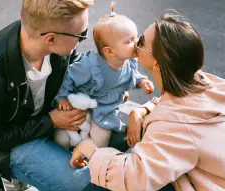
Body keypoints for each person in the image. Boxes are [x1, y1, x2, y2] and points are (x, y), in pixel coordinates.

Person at [70, 11, 225, 191]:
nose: (136, 42)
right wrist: (143, 110)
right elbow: (179, 108)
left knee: (102, 190)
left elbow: (134, 178)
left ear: (157, 65)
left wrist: (92, 151)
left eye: (142, 41)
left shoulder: (178, 125)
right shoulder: (200, 82)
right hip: (216, 184)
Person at [0, 0, 95, 191]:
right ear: (50, 39)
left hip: (48, 119)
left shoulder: (57, 46)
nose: (83, 39)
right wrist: (51, 121)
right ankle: (14, 181)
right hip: (10, 146)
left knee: (116, 143)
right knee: (86, 187)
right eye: (81, 35)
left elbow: (76, 66)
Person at [54, 14, 154, 149]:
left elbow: (132, 75)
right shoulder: (89, 65)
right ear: (109, 51)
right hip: (81, 103)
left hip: (105, 110)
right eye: (129, 40)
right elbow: (70, 76)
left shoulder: (129, 61)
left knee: (100, 142)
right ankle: (61, 159)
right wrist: (62, 97)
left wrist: (141, 81)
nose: (137, 42)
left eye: (136, 37)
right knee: (62, 139)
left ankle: (88, 161)